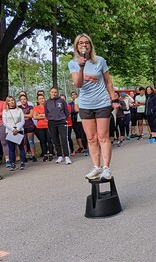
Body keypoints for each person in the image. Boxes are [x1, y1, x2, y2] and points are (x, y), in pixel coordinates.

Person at [68, 33, 116, 180]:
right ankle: (96, 167)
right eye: (81, 43)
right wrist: (81, 67)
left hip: (102, 102)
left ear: (90, 46)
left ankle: (106, 168)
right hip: (85, 104)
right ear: (77, 46)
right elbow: (78, 84)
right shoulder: (73, 63)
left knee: (103, 136)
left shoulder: (100, 60)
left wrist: (113, 98)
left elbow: (108, 81)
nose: (84, 45)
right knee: (91, 138)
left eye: (87, 43)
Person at [44, 87, 72, 165]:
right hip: (52, 122)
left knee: (64, 138)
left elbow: (66, 112)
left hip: (61, 121)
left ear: (57, 93)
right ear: (50, 93)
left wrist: (63, 118)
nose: (54, 94)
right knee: (55, 139)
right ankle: (59, 155)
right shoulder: (47, 102)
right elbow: (46, 113)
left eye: (55, 92)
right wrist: (50, 118)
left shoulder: (62, 101)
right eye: (52, 92)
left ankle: (67, 156)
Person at [3, 96, 27, 171]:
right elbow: (5, 122)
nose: (11, 102)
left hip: (19, 130)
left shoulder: (19, 110)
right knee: (11, 148)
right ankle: (12, 163)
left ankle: (22, 162)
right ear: (7, 102)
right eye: (9, 101)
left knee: (21, 147)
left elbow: (22, 120)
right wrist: (12, 129)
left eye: (12, 100)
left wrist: (17, 128)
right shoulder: (5, 111)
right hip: (10, 131)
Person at [32, 94, 53, 161]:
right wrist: (44, 115)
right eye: (40, 99)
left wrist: (40, 115)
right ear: (38, 100)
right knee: (43, 141)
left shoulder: (48, 106)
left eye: (43, 98)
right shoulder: (36, 108)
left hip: (48, 125)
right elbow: (34, 117)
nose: (42, 100)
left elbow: (51, 115)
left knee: (49, 140)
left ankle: (51, 153)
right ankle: (45, 154)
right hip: (40, 126)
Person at [18, 94, 37, 162]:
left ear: (27, 100)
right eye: (22, 99)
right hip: (22, 127)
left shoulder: (30, 107)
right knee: (24, 142)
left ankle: (33, 155)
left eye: (24, 99)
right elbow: (18, 117)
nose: (23, 100)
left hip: (30, 126)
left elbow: (31, 115)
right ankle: (25, 156)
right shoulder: (18, 108)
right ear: (20, 101)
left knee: (31, 141)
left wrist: (23, 115)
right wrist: (26, 116)